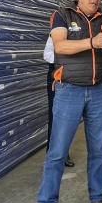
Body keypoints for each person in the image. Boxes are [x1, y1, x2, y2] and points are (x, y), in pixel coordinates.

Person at [33, 0, 102, 203]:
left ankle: (98, 198)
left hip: (99, 90)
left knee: (98, 150)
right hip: (69, 90)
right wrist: (92, 42)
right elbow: (60, 45)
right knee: (58, 151)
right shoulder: (63, 15)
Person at [43, 37, 74, 168]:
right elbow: (47, 55)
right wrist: (67, 59)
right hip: (57, 76)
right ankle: (54, 153)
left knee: (69, 117)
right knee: (55, 116)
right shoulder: (55, 35)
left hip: (73, 76)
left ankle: (63, 151)